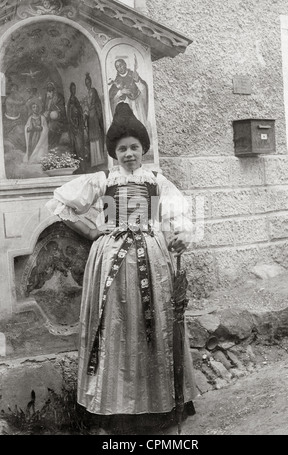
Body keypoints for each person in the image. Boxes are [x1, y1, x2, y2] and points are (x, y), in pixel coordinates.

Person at [45, 103, 197, 434]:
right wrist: (90, 230)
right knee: (115, 326)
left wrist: (179, 236)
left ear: (143, 149)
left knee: (151, 325)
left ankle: (158, 406)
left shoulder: (156, 180)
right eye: (122, 148)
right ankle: (114, 406)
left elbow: (176, 215)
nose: (129, 153)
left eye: (134, 147)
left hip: (152, 259)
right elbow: (61, 204)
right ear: (114, 152)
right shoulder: (103, 180)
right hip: (111, 259)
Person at [108, 57, 148, 127]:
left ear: (125, 64)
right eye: (117, 67)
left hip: (137, 107)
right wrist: (121, 92)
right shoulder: (116, 81)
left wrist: (137, 81)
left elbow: (144, 90)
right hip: (126, 109)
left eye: (121, 65)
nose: (120, 68)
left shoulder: (133, 75)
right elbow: (111, 98)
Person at [83, 73, 105, 168]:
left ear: (91, 82)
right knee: (92, 138)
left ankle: (99, 159)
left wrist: (90, 109)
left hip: (95, 117)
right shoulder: (87, 94)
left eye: (89, 82)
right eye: (86, 83)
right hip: (90, 118)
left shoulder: (93, 91)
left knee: (96, 136)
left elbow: (95, 103)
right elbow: (86, 106)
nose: (88, 84)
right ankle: (94, 161)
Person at [67, 82, 86, 172]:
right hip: (75, 127)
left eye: (75, 89)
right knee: (77, 147)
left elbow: (79, 111)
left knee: (80, 147)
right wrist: (74, 126)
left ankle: (82, 167)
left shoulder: (75, 99)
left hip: (78, 125)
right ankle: (80, 168)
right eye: (72, 89)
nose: (74, 90)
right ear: (70, 90)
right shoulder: (71, 100)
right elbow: (70, 114)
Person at [43, 81, 67, 149]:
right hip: (48, 117)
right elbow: (45, 108)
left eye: (50, 87)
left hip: (58, 118)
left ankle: (52, 144)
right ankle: (46, 144)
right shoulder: (46, 97)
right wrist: (46, 113)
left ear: (53, 88)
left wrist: (52, 105)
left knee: (52, 126)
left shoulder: (58, 97)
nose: (49, 89)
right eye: (48, 88)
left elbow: (61, 109)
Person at [24, 100, 48, 164]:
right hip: (32, 137)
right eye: (33, 107)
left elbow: (46, 128)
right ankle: (31, 159)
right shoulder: (30, 118)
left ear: (39, 108)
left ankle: (37, 159)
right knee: (32, 147)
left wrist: (41, 128)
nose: (35, 109)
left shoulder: (42, 118)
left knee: (39, 150)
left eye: (37, 107)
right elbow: (26, 127)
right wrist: (29, 128)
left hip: (40, 137)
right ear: (31, 109)